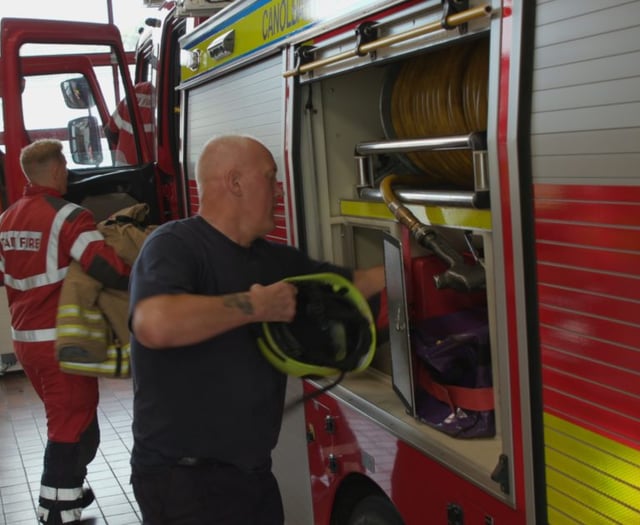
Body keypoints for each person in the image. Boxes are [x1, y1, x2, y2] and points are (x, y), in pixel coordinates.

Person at [129, 134, 385, 525]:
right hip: (183, 482)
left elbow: (353, 285)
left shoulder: (272, 260)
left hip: (251, 476)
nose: (279, 191)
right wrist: (255, 306)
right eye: (271, 177)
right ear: (234, 183)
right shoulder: (175, 245)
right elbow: (155, 324)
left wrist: (420, 255)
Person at [0, 139, 131, 525]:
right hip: (63, 342)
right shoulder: (70, 216)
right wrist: (144, 276)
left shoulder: (6, 219)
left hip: (25, 342)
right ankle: (57, 509)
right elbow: (105, 267)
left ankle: (71, 485)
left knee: (71, 419)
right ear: (58, 170)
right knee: (70, 424)